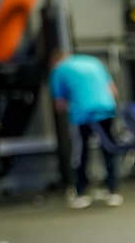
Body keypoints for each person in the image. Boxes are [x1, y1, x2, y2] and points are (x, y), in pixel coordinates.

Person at [48, 48, 123, 208]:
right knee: (108, 149)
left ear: (54, 61)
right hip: (107, 109)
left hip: (83, 114)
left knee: (81, 153)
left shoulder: (58, 70)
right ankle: (113, 191)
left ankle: (80, 193)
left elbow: (59, 104)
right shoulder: (93, 61)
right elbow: (113, 91)